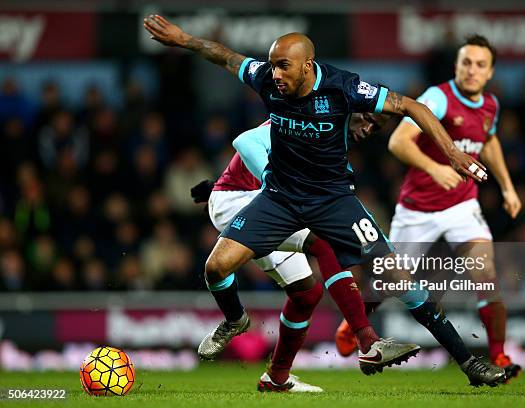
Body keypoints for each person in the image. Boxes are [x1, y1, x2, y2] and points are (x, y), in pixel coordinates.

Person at [144, 15, 502, 387]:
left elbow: (412, 107)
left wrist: (453, 154)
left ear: (307, 66)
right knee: (215, 268)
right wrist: (184, 38)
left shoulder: (343, 87)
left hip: (334, 202)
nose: (276, 74)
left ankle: (469, 363)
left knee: (399, 279)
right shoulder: (269, 79)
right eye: (274, 65)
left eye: (284, 66)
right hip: (279, 200)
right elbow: (224, 56)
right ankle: (238, 321)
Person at [335, 35, 522, 381]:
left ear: (491, 71)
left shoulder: (490, 106)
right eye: (466, 62)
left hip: (463, 206)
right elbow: (398, 141)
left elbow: (489, 141)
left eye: (480, 64)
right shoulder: (437, 97)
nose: (472, 70)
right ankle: (352, 326)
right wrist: (436, 167)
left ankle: (498, 354)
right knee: (387, 283)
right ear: (456, 66)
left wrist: (507, 187)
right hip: (417, 210)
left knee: (486, 272)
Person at [191, 116, 391, 392]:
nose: (367, 130)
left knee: (306, 295)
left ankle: (276, 377)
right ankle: (366, 339)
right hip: (238, 200)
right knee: (323, 242)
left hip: (272, 204)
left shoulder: (331, 143)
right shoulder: (303, 120)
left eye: (375, 127)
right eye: (366, 120)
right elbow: (247, 143)